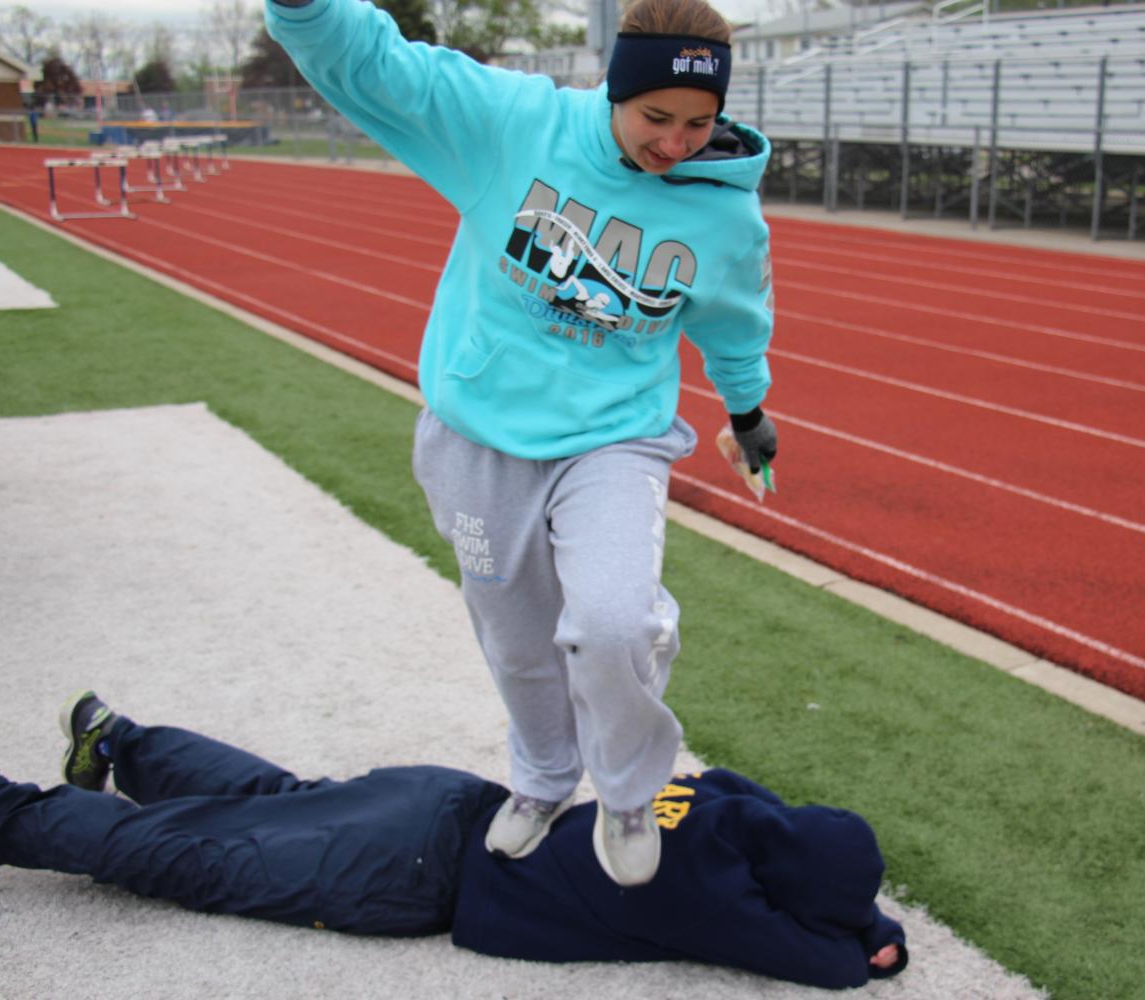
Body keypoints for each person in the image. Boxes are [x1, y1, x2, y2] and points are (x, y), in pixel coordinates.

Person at [264, 0, 779, 887]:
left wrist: (748, 411)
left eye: (699, 122)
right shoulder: (514, 126)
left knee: (614, 622)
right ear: (616, 89)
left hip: (615, 438)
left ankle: (625, 791)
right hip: (478, 432)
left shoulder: (726, 216)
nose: (677, 142)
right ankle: (544, 776)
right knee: (515, 636)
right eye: (656, 117)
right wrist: (305, 9)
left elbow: (734, 324)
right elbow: (378, 63)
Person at [0, 692, 908, 990]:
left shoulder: (712, 806)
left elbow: (762, 809)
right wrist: (863, 938)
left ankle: (121, 740)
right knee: (205, 856)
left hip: (448, 800)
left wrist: (857, 904)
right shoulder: (706, 898)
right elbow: (819, 966)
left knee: (279, 800)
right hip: (418, 877)